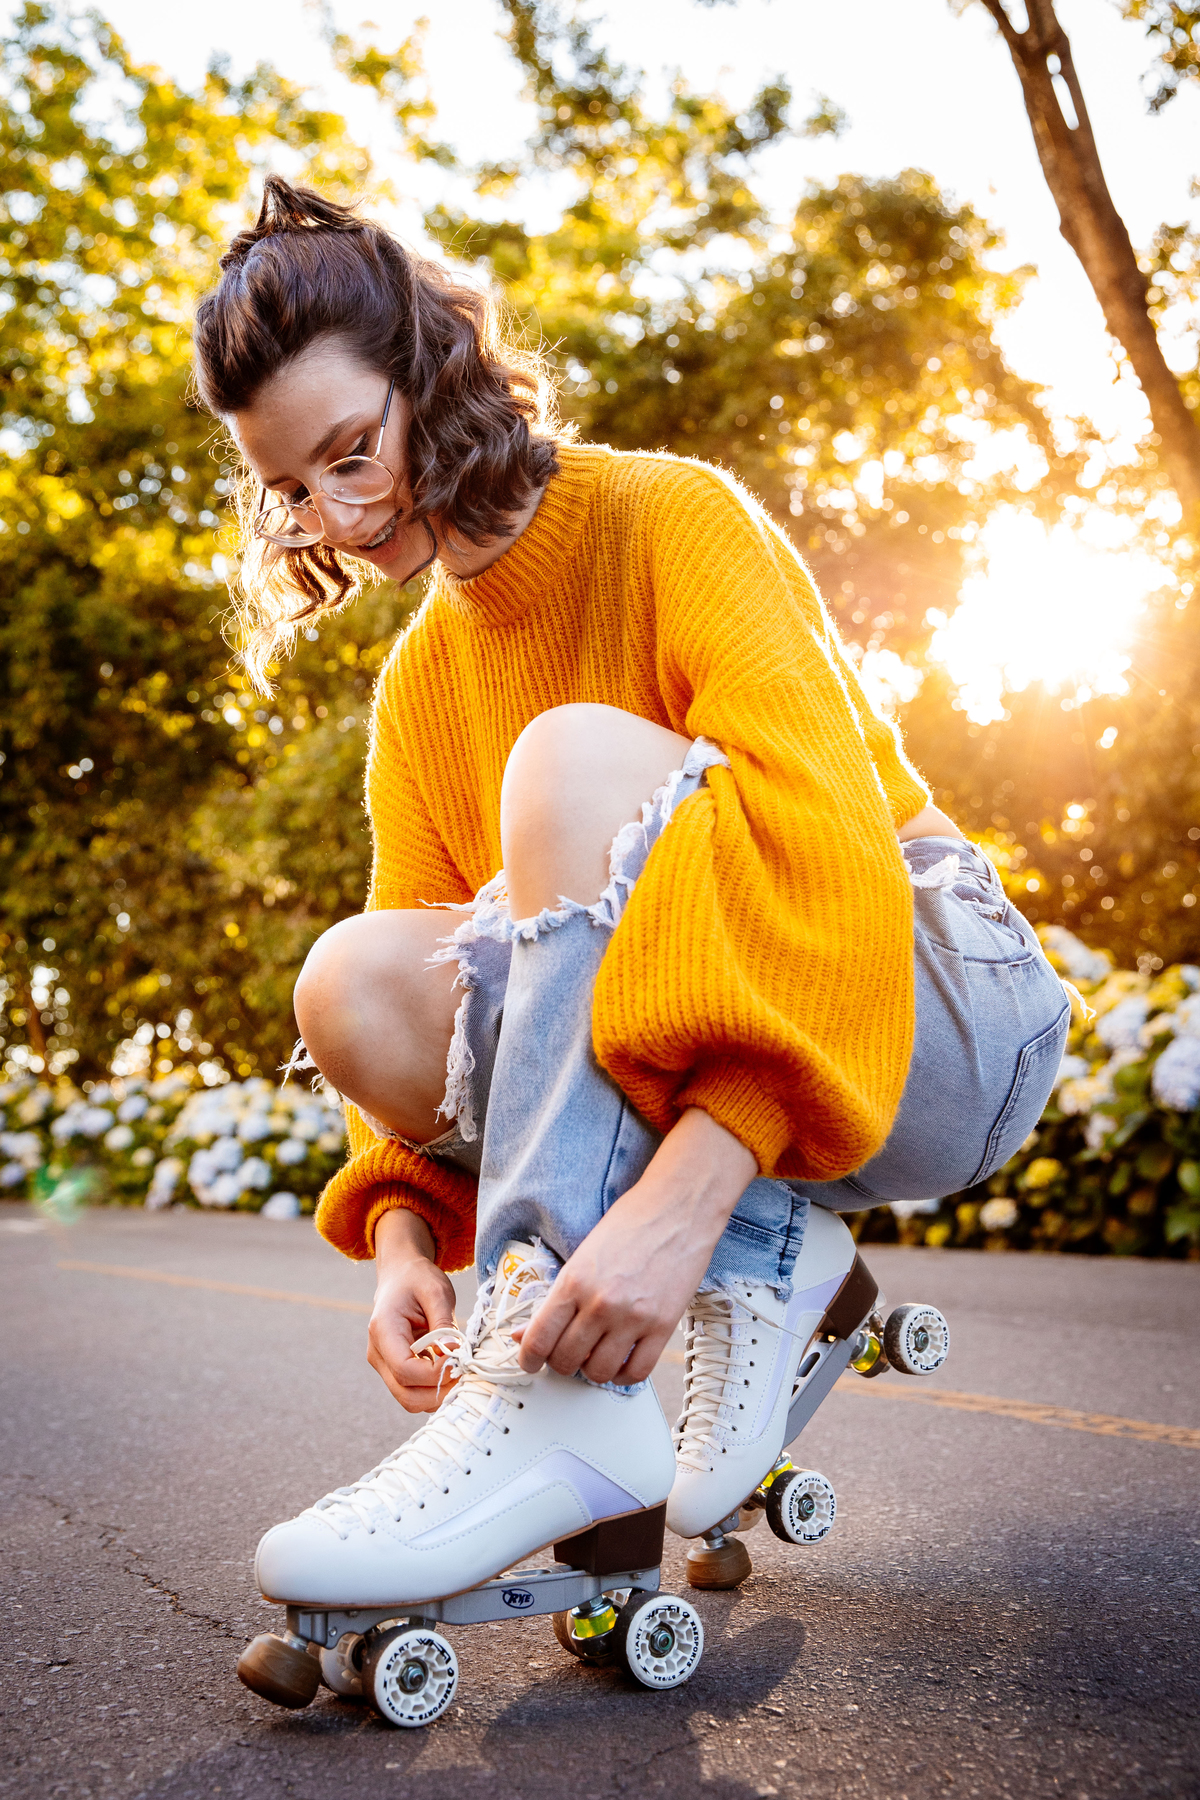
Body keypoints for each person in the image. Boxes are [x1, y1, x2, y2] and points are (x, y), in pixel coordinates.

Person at [192, 176, 1070, 1607]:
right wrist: (406, 1240)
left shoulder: (669, 514)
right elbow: (453, 1007)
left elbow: (828, 853)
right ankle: (759, 1258)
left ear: (432, 368)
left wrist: (679, 1202)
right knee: (352, 979)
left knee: (568, 770)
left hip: (936, 999)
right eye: (291, 489)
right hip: (756, 1080)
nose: (337, 517)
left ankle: (573, 1376)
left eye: (353, 454)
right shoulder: (420, 683)